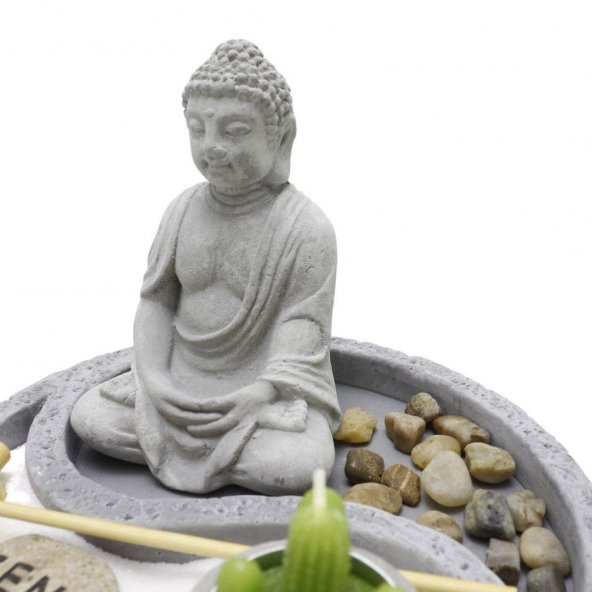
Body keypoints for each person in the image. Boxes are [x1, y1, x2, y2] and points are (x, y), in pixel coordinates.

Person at [71, 40, 341, 494]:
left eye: (235, 131)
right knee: (91, 418)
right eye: (197, 129)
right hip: (178, 379)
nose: (212, 147)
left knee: (297, 463)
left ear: (281, 137)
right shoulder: (181, 211)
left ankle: (231, 441)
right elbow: (156, 303)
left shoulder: (306, 228)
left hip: (262, 388)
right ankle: (204, 444)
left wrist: (260, 393)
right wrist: (155, 378)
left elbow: (303, 326)